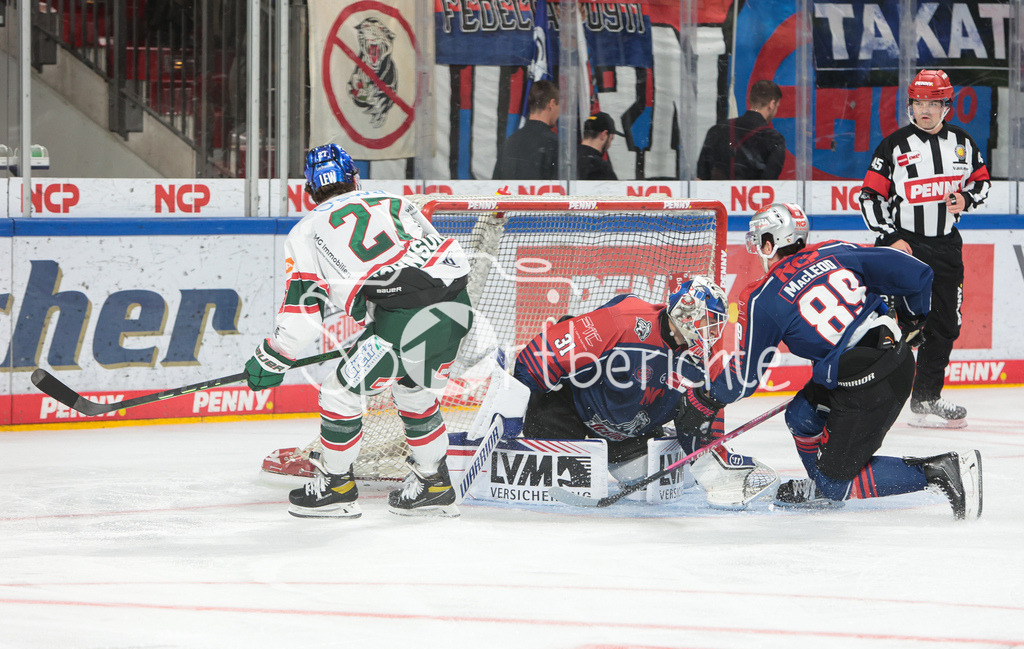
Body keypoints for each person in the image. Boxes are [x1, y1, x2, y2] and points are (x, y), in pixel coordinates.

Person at [674, 203, 982, 520]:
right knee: (801, 416)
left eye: (758, 240)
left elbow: (744, 380)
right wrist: (913, 319)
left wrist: (706, 398)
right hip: (886, 362)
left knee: (836, 483)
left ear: (769, 243)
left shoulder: (762, 297)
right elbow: (919, 272)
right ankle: (820, 488)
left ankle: (942, 471)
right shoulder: (833, 251)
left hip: (868, 384)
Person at [244, 143, 473, 519]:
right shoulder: (394, 201)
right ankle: (433, 484)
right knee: (415, 393)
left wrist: (273, 356)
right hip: (457, 307)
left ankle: (335, 488)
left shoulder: (306, 230)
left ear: (310, 190)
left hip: (403, 322)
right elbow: (435, 256)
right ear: (354, 179)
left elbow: (303, 313)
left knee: (339, 394)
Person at [511, 277, 777, 508]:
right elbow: (536, 358)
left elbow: (705, 416)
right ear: (686, 312)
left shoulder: (703, 358)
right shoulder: (623, 320)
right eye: (709, 320)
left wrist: (711, 461)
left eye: (717, 323)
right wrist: (509, 419)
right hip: (570, 410)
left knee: (671, 484)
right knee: (564, 484)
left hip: (628, 434)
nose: (713, 331)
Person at [859, 69, 990, 429]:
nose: (925, 110)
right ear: (910, 105)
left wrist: (965, 198)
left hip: (946, 247)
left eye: (933, 103)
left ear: (947, 105)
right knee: (893, 325)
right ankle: (867, 397)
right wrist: (890, 238)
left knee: (945, 325)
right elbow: (869, 196)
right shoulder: (894, 145)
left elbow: (981, 182)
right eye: (918, 103)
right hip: (905, 247)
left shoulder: (962, 142)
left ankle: (926, 397)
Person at [696, 80, 786, 180]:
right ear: (772, 104)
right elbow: (769, 183)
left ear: (751, 100)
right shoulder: (774, 139)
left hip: (717, 190)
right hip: (752, 190)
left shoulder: (716, 130)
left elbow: (700, 179)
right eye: (777, 106)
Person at [493, 80, 560, 180]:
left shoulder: (509, 143)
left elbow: (496, 186)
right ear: (552, 104)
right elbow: (562, 187)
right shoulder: (554, 144)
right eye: (559, 106)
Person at [577, 112, 622, 180]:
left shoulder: (567, 158)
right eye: (611, 139)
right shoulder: (601, 167)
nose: (610, 144)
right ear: (604, 135)